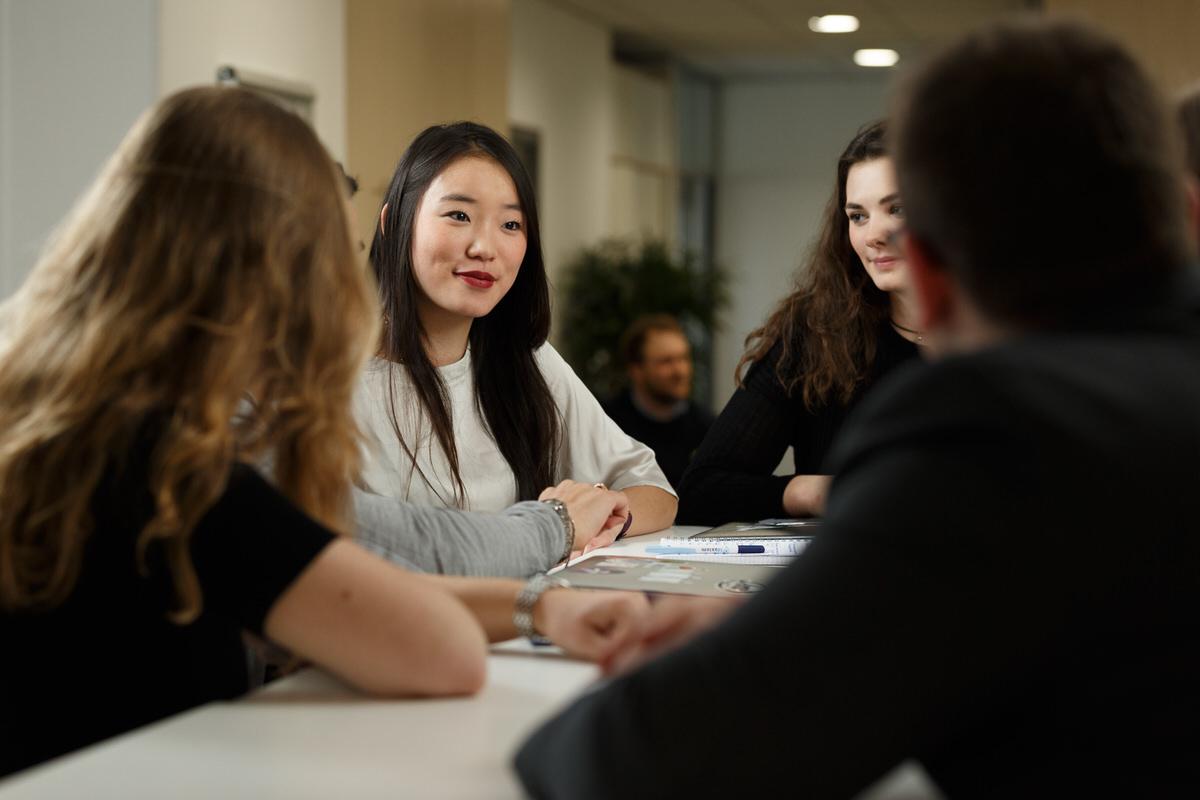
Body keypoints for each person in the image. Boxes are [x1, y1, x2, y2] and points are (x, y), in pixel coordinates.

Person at [515, 18, 1200, 797]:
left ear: (931, 280)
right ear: (1187, 213)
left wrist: (778, 644)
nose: (873, 235)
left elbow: (626, 758)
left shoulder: (987, 431)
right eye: (856, 215)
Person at [0, 87, 651, 779]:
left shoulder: (57, 413)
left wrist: (540, 606)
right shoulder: (177, 467)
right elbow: (432, 642)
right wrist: (551, 545)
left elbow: (327, 571)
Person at [356, 122, 676, 540]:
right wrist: (555, 528)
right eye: (458, 215)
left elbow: (656, 490)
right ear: (394, 222)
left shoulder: (526, 360)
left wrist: (606, 515)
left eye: (510, 225)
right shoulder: (331, 376)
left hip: (528, 601)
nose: (484, 248)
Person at [677, 120, 922, 525]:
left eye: (896, 209)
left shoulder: (1016, 334)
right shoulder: (816, 334)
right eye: (857, 216)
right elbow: (703, 490)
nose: (873, 234)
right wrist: (817, 490)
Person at [601, 314, 714, 488]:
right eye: (666, 362)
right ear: (636, 370)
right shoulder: (608, 426)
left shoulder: (707, 428)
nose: (680, 371)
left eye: (684, 358)